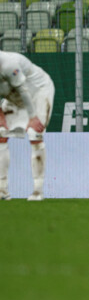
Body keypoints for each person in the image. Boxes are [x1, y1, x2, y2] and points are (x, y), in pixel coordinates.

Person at [0, 50, 55, 201]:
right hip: (13, 96)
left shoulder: (9, 64)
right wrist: (1, 118)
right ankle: (2, 190)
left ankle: (38, 191)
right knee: (1, 133)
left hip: (38, 92)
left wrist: (32, 118)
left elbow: (24, 90)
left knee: (34, 134)